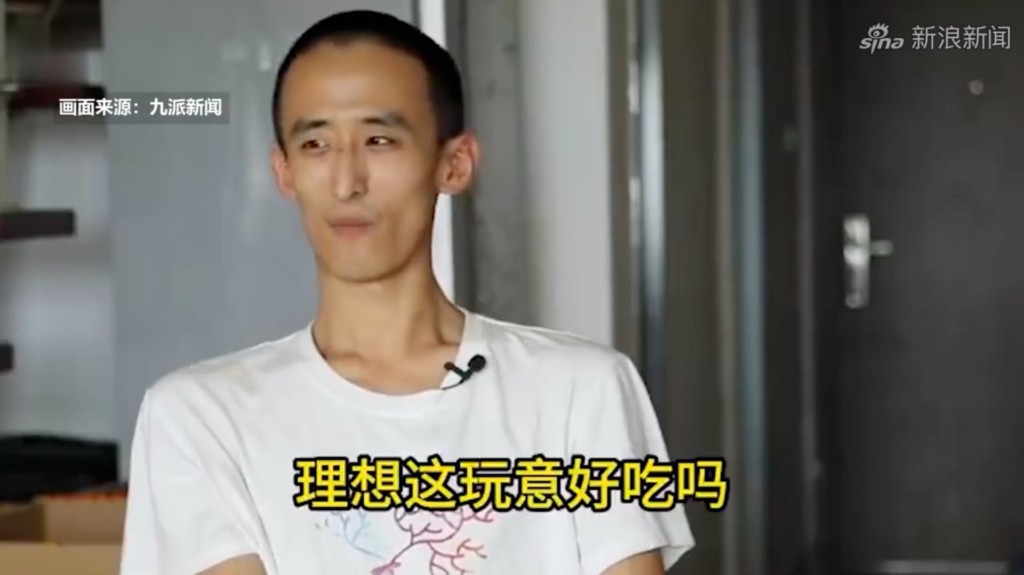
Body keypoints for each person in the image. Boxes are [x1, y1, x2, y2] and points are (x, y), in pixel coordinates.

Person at [119, 9, 694, 575]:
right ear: (285, 171)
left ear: (455, 163)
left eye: (379, 140)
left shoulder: (580, 391)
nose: (347, 182)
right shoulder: (199, 417)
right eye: (316, 144)